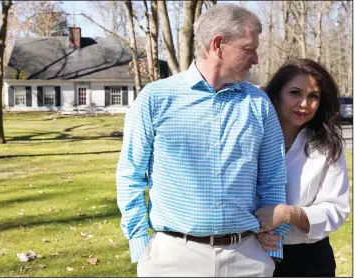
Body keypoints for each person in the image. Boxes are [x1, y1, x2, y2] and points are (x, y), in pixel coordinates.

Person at [117, 3, 289, 277]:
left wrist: (273, 244)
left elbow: (273, 178)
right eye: (248, 49)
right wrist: (140, 246)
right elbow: (131, 175)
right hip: (172, 259)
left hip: (247, 258)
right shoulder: (156, 98)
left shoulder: (258, 103)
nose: (256, 59)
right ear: (218, 44)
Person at [254, 58, 350, 277]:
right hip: (251, 254)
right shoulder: (252, 138)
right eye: (295, 93)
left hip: (308, 261)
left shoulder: (327, 146)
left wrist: (289, 214)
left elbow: (335, 210)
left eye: (313, 96)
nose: (304, 104)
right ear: (277, 95)